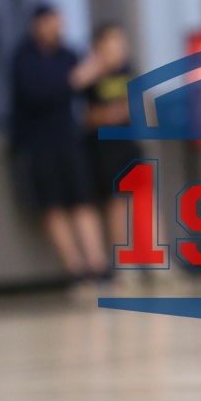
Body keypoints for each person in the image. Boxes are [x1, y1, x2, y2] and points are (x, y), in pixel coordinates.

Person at [11, 3, 107, 282]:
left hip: (69, 140)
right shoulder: (24, 58)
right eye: (52, 23)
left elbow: (87, 91)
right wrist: (73, 81)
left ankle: (98, 265)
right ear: (37, 25)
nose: (57, 29)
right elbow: (35, 96)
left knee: (83, 200)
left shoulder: (68, 54)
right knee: (52, 206)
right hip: (38, 143)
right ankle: (76, 270)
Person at [82, 24, 143, 254]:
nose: (119, 48)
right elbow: (85, 115)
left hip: (129, 142)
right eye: (113, 42)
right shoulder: (89, 75)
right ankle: (124, 261)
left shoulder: (127, 69)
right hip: (104, 148)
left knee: (144, 199)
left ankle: (157, 259)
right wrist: (106, 115)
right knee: (117, 204)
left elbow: (137, 105)